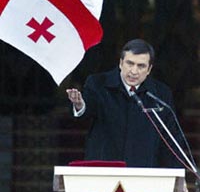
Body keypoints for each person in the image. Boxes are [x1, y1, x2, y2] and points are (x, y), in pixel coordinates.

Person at [66, 39, 187, 171]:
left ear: (149, 69)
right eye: (130, 64)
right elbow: (87, 110)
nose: (134, 71)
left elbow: (171, 139)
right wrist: (80, 105)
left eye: (141, 66)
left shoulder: (160, 94)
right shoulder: (98, 84)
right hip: (103, 171)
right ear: (120, 63)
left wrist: (178, 175)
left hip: (145, 173)